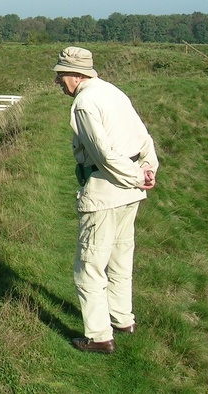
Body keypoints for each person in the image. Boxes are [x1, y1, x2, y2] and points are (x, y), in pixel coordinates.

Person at [53, 46, 158, 354]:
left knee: (89, 265)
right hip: (130, 193)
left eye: (60, 76)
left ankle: (99, 336)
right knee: (121, 257)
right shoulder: (113, 92)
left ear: (74, 75)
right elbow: (143, 138)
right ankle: (123, 319)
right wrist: (147, 169)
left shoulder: (85, 103)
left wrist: (136, 176)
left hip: (105, 193)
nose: (58, 82)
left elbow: (102, 154)